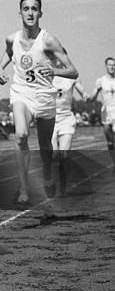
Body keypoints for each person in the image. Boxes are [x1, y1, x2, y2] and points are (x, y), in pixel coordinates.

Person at [0, 0, 78, 207]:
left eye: (34, 9)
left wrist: (53, 69)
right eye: (26, 8)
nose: (30, 12)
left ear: (40, 13)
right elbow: (7, 52)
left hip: (44, 97)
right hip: (21, 92)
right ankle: (23, 190)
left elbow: (73, 71)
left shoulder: (48, 40)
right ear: (20, 12)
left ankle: (48, 175)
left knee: (44, 148)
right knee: (21, 135)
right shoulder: (12, 38)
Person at [51, 59, 89, 196]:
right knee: (53, 153)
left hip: (66, 118)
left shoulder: (72, 76)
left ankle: (62, 187)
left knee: (64, 155)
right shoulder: (46, 75)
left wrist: (84, 95)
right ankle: (52, 180)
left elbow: (81, 89)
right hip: (50, 119)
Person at [90, 57, 115, 170]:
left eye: (114, 65)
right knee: (110, 142)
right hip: (106, 110)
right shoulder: (101, 80)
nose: (112, 67)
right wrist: (89, 97)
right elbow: (93, 96)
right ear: (106, 66)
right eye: (110, 65)